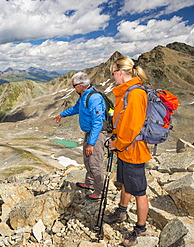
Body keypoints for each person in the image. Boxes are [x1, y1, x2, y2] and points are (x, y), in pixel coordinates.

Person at [105, 57, 151, 247]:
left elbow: (132, 127)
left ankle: (140, 229)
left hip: (134, 150)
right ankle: (122, 212)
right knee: (125, 183)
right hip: (125, 149)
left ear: (121, 72)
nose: (112, 76)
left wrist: (119, 144)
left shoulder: (135, 94)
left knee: (139, 191)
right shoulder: (126, 93)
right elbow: (123, 122)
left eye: (113, 72)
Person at [54, 72, 106, 200]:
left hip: (97, 134)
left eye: (74, 85)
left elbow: (98, 122)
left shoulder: (94, 98)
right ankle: (90, 183)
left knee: (95, 163)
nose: (73, 88)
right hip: (89, 133)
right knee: (88, 160)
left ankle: (99, 192)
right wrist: (62, 115)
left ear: (82, 85)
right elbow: (75, 108)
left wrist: (92, 143)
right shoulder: (83, 96)